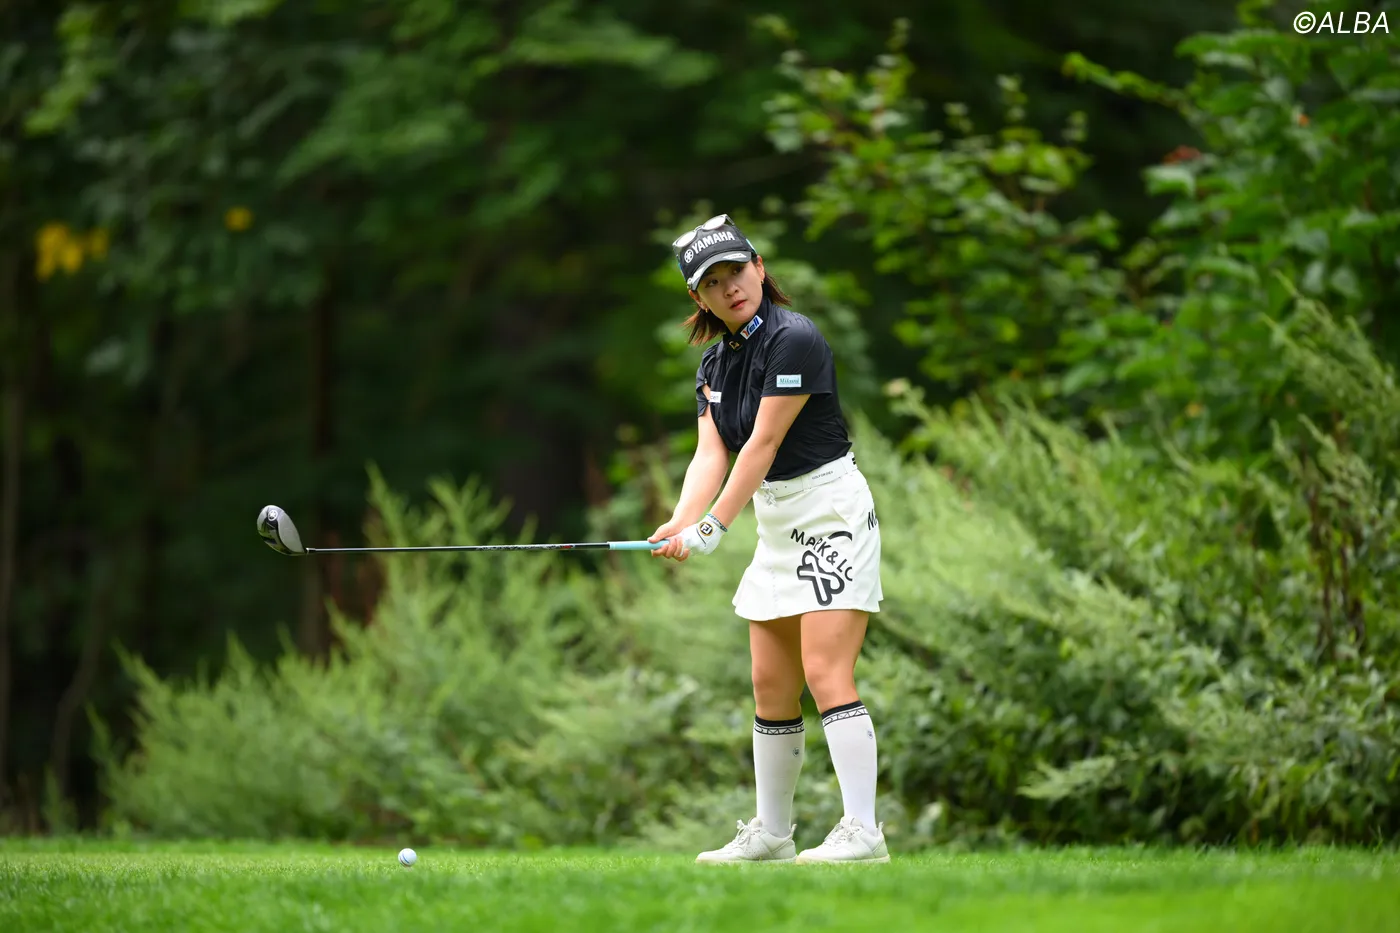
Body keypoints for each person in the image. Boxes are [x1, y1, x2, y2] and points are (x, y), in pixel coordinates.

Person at [648, 214, 887, 865]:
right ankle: (773, 834)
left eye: (737, 270)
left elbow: (763, 443)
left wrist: (714, 526)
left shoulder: (794, 338)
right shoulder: (714, 362)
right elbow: (712, 453)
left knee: (826, 671)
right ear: (698, 296)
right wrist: (682, 518)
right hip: (777, 522)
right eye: (713, 282)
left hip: (830, 512)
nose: (730, 287)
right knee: (770, 683)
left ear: (758, 266)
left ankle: (864, 830)